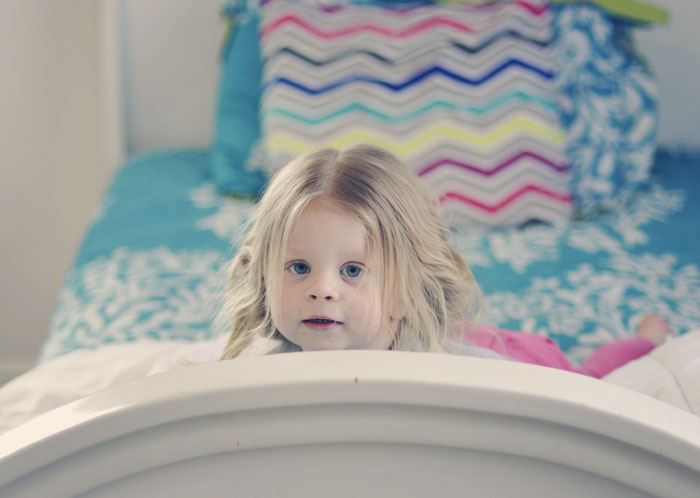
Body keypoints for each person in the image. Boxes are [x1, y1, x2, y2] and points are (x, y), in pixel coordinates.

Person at [218, 144, 672, 378]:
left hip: (525, 355)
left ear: (404, 292)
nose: (321, 290)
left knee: (592, 375)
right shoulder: (262, 363)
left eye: (353, 270)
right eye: (299, 268)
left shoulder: (463, 371)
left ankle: (647, 338)